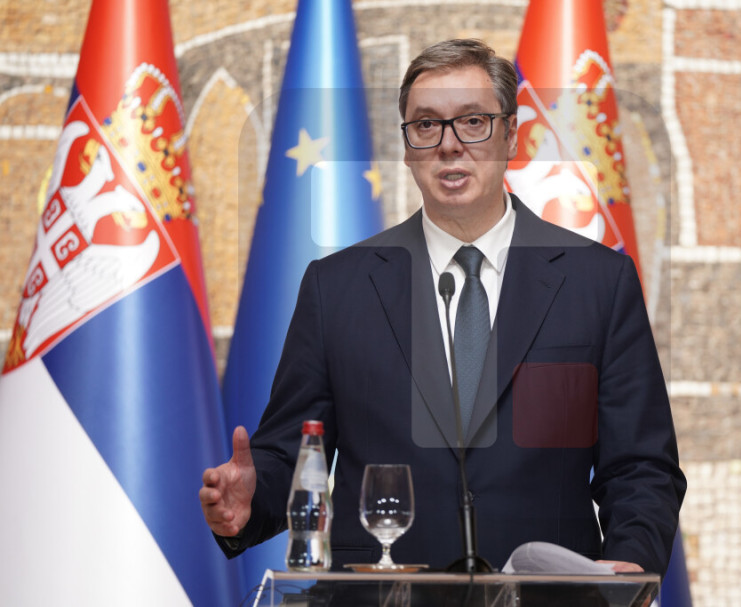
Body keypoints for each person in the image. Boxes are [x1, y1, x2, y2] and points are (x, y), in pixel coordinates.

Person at [200, 38, 685, 575]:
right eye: (427, 125)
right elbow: (293, 457)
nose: (449, 145)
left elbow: (641, 467)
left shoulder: (598, 281)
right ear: (408, 146)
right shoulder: (335, 287)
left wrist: (629, 567)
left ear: (510, 134)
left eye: (473, 121)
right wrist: (251, 499)